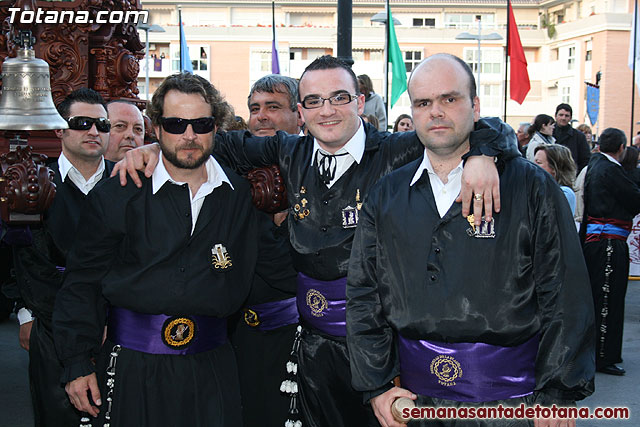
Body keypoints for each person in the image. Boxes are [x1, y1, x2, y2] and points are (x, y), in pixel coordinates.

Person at [115, 55, 509, 427]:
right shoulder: (290, 150)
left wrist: (482, 155)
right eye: (314, 101)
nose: (327, 110)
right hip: (312, 343)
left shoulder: (396, 150)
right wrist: (153, 148)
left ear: (360, 101)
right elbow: (212, 140)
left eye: (339, 98)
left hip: (382, 341)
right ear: (301, 111)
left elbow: (489, 126)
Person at [347, 53, 594, 427]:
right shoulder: (386, 194)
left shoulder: (531, 187)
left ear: (475, 106)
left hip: (512, 406)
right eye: (423, 103)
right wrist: (376, 384)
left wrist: (558, 393)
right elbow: (364, 293)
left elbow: (565, 292)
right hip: (413, 404)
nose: (436, 112)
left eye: (450, 99)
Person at [52, 73, 258, 426]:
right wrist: (76, 362)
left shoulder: (238, 195)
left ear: (216, 127)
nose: (189, 135)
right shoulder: (119, 191)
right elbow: (82, 281)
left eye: (201, 124)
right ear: (157, 128)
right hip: (131, 367)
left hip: (212, 368)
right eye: (176, 124)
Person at [12, 88, 113, 427]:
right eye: (82, 122)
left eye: (102, 124)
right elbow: (27, 262)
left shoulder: (128, 182)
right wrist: (28, 315)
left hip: (118, 329)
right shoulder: (35, 183)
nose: (93, 131)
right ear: (59, 129)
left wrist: (110, 319)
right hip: (53, 327)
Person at [232, 73, 301, 427]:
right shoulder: (229, 168)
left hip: (299, 338)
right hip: (234, 337)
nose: (261, 116)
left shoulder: (316, 170)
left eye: (273, 107)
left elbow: (290, 272)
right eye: (254, 108)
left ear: (299, 114)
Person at [581, 127, 640, 377]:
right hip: (607, 242)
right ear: (621, 148)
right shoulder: (610, 169)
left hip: (598, 240)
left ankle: (597, 352)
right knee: (608, 300)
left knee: (600, 298)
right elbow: (635, 199)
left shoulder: (596, 164)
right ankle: (603, 356)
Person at [534, 144, 577, 215]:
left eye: (538, 163)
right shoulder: (539, 189)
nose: (532, 166)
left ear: (554, 168)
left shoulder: (565, 193)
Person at [553, 103, 591, 172]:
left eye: (566, 116)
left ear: (570, 118)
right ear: (555, 116)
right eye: (561, 115)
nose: (563, 118)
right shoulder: (549, 134)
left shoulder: (579, 136)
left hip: (571, 175)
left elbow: (585, 159)